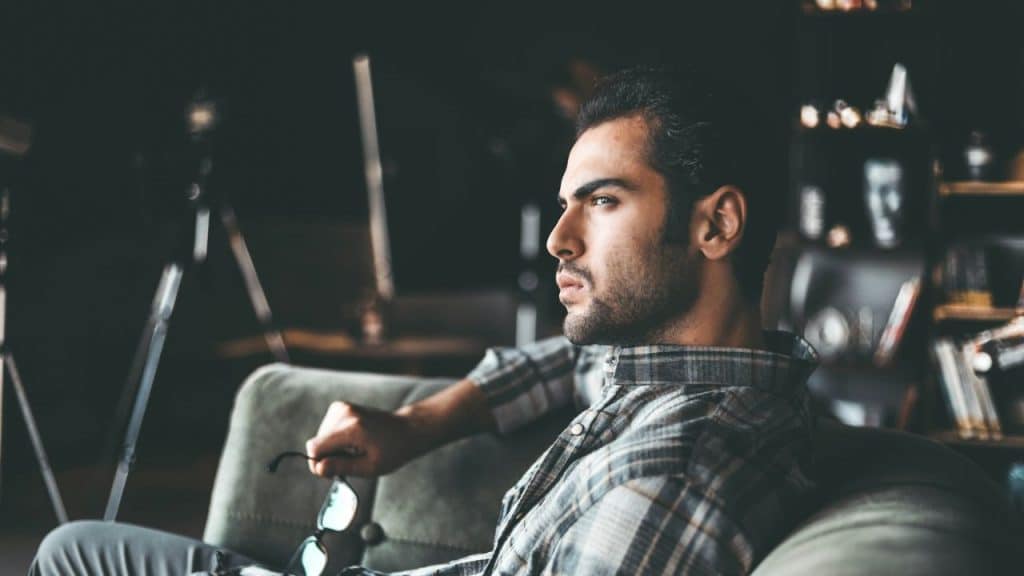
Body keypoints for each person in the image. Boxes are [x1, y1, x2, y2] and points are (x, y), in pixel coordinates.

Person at [31, 64, 818, 576]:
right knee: (77, 546)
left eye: (603, 201)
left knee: (77, 557)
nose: (558, 239)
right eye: (565, 204)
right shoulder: (680, 370)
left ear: (716, 226)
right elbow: (563, 364)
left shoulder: (673, 483)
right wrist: (414, 426)